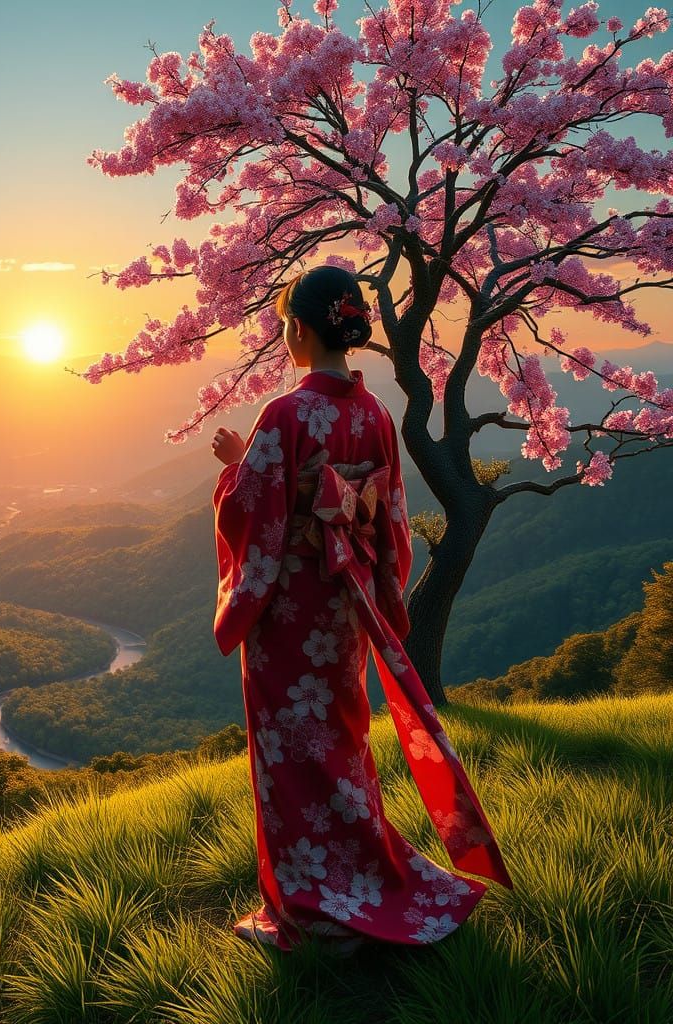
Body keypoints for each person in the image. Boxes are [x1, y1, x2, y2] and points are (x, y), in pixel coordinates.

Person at [211, 265, 514, 954]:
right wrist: (380, 592)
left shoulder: (285, 414)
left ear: (299, 328)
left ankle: (311, 910)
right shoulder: (373, 412)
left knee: (288, 753)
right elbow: (392, 519)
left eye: (285, 325)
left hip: (289, 611)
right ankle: (359, 880)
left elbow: (251, 511)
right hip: (344, 604)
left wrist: (232, 465)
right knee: (340, 744)